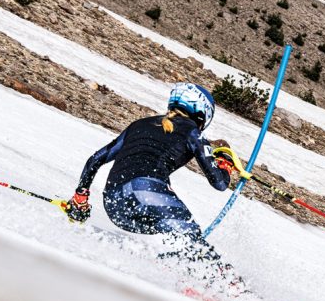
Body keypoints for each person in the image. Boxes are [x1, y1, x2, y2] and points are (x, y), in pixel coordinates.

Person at [64, 82, 237, 274]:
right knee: (188, 233)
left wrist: (80, 198)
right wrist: (225, 161)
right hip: (145, 191)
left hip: (114, 204)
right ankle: (222, 285)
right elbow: (220, 183)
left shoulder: (139, 124)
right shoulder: (192, 132)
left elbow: (95, 159)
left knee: (180, 238)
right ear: (204, 111)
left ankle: (176, 269)